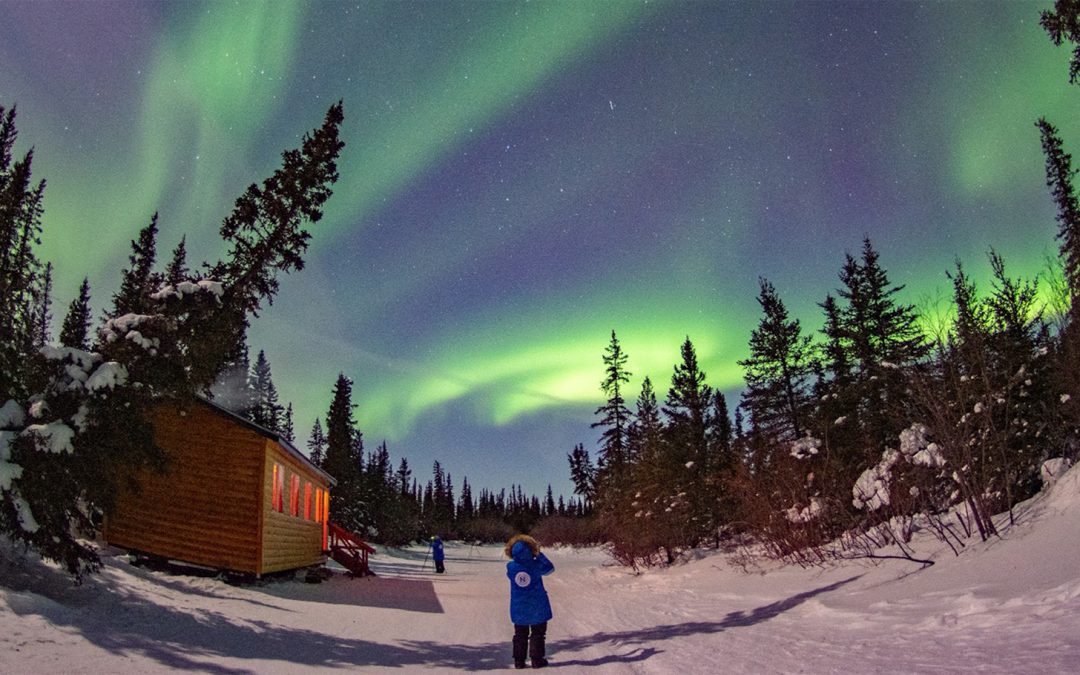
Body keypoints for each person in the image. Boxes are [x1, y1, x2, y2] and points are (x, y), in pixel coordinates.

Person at [504, 534, 554, 669]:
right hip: (537, 604)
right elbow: (550, 569)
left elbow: (510, 575)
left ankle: (519, 661)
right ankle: (537, 660)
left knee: (520, 633)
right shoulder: (536, 565)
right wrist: (539, 555)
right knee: (538, 633)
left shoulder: (511, 567)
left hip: (518, 606)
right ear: (532, 549)